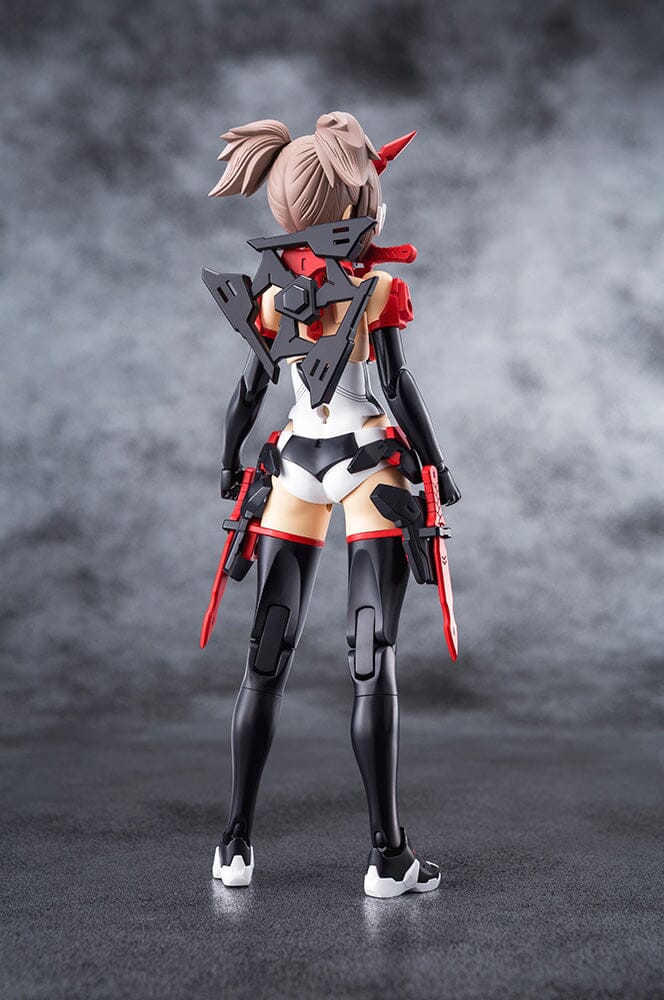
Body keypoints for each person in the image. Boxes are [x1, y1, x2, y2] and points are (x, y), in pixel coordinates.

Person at [203, 112, 460, 898]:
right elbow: (397, 386)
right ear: (354, 201)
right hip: (368, 461)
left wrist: (229, 459)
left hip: (291, 463)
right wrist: (436, 465)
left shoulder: (270, 295)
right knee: (369, 658)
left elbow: (248, 391)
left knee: (264, 659)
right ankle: (387, 857)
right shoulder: (377, 289)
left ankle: (234, 846)